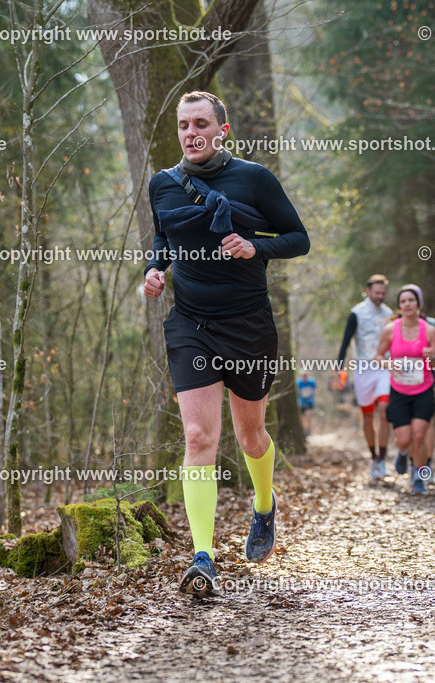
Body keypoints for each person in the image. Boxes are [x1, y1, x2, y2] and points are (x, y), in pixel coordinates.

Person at [143, 91, 310, 598]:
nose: (190, 133)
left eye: (200, 124)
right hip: (190, 323)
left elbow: (298, 238)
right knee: (198, 438)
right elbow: (163, 240)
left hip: (248, 325)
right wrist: (153, 270)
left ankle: (264, 504)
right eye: (182, 125)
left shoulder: (255, 179)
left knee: (250, 436)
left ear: (223, 130)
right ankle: (203, 558)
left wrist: (255, 245)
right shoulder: (164, 184)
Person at [374, 285, 435, 494]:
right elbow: (378, 356)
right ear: (399, 306)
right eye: (403, 301)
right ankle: (403, 452)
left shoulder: (429, 330)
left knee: (419, 435)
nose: (407, 304)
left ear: (418, 303)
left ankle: (418, 476)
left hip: (424, 390)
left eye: (411, 300)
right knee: (404, 438)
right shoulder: (390, 330)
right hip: (400, 391)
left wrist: (432, 356)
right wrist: (387, 364)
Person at [336, 274, 394, 479]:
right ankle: (374, 458)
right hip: (362, 369)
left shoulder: (389, 314)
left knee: (385, 411)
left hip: (383, 368)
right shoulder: (356, 313)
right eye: (377, 293)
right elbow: (345, 340)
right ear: (368, 291)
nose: (380, 296)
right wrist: (338, 366)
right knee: (367, 415)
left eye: (383, 293)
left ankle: (384, 459)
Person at [296, 371, 316, 435]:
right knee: (302, 418)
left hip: (309, 402)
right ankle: (303, 430)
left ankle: (308, 429)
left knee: (309, 414)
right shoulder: (298, 383)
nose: (305, 377)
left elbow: (315, 390)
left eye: (306, 375)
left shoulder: (312, 382)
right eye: (303, 376)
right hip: (301, 403)